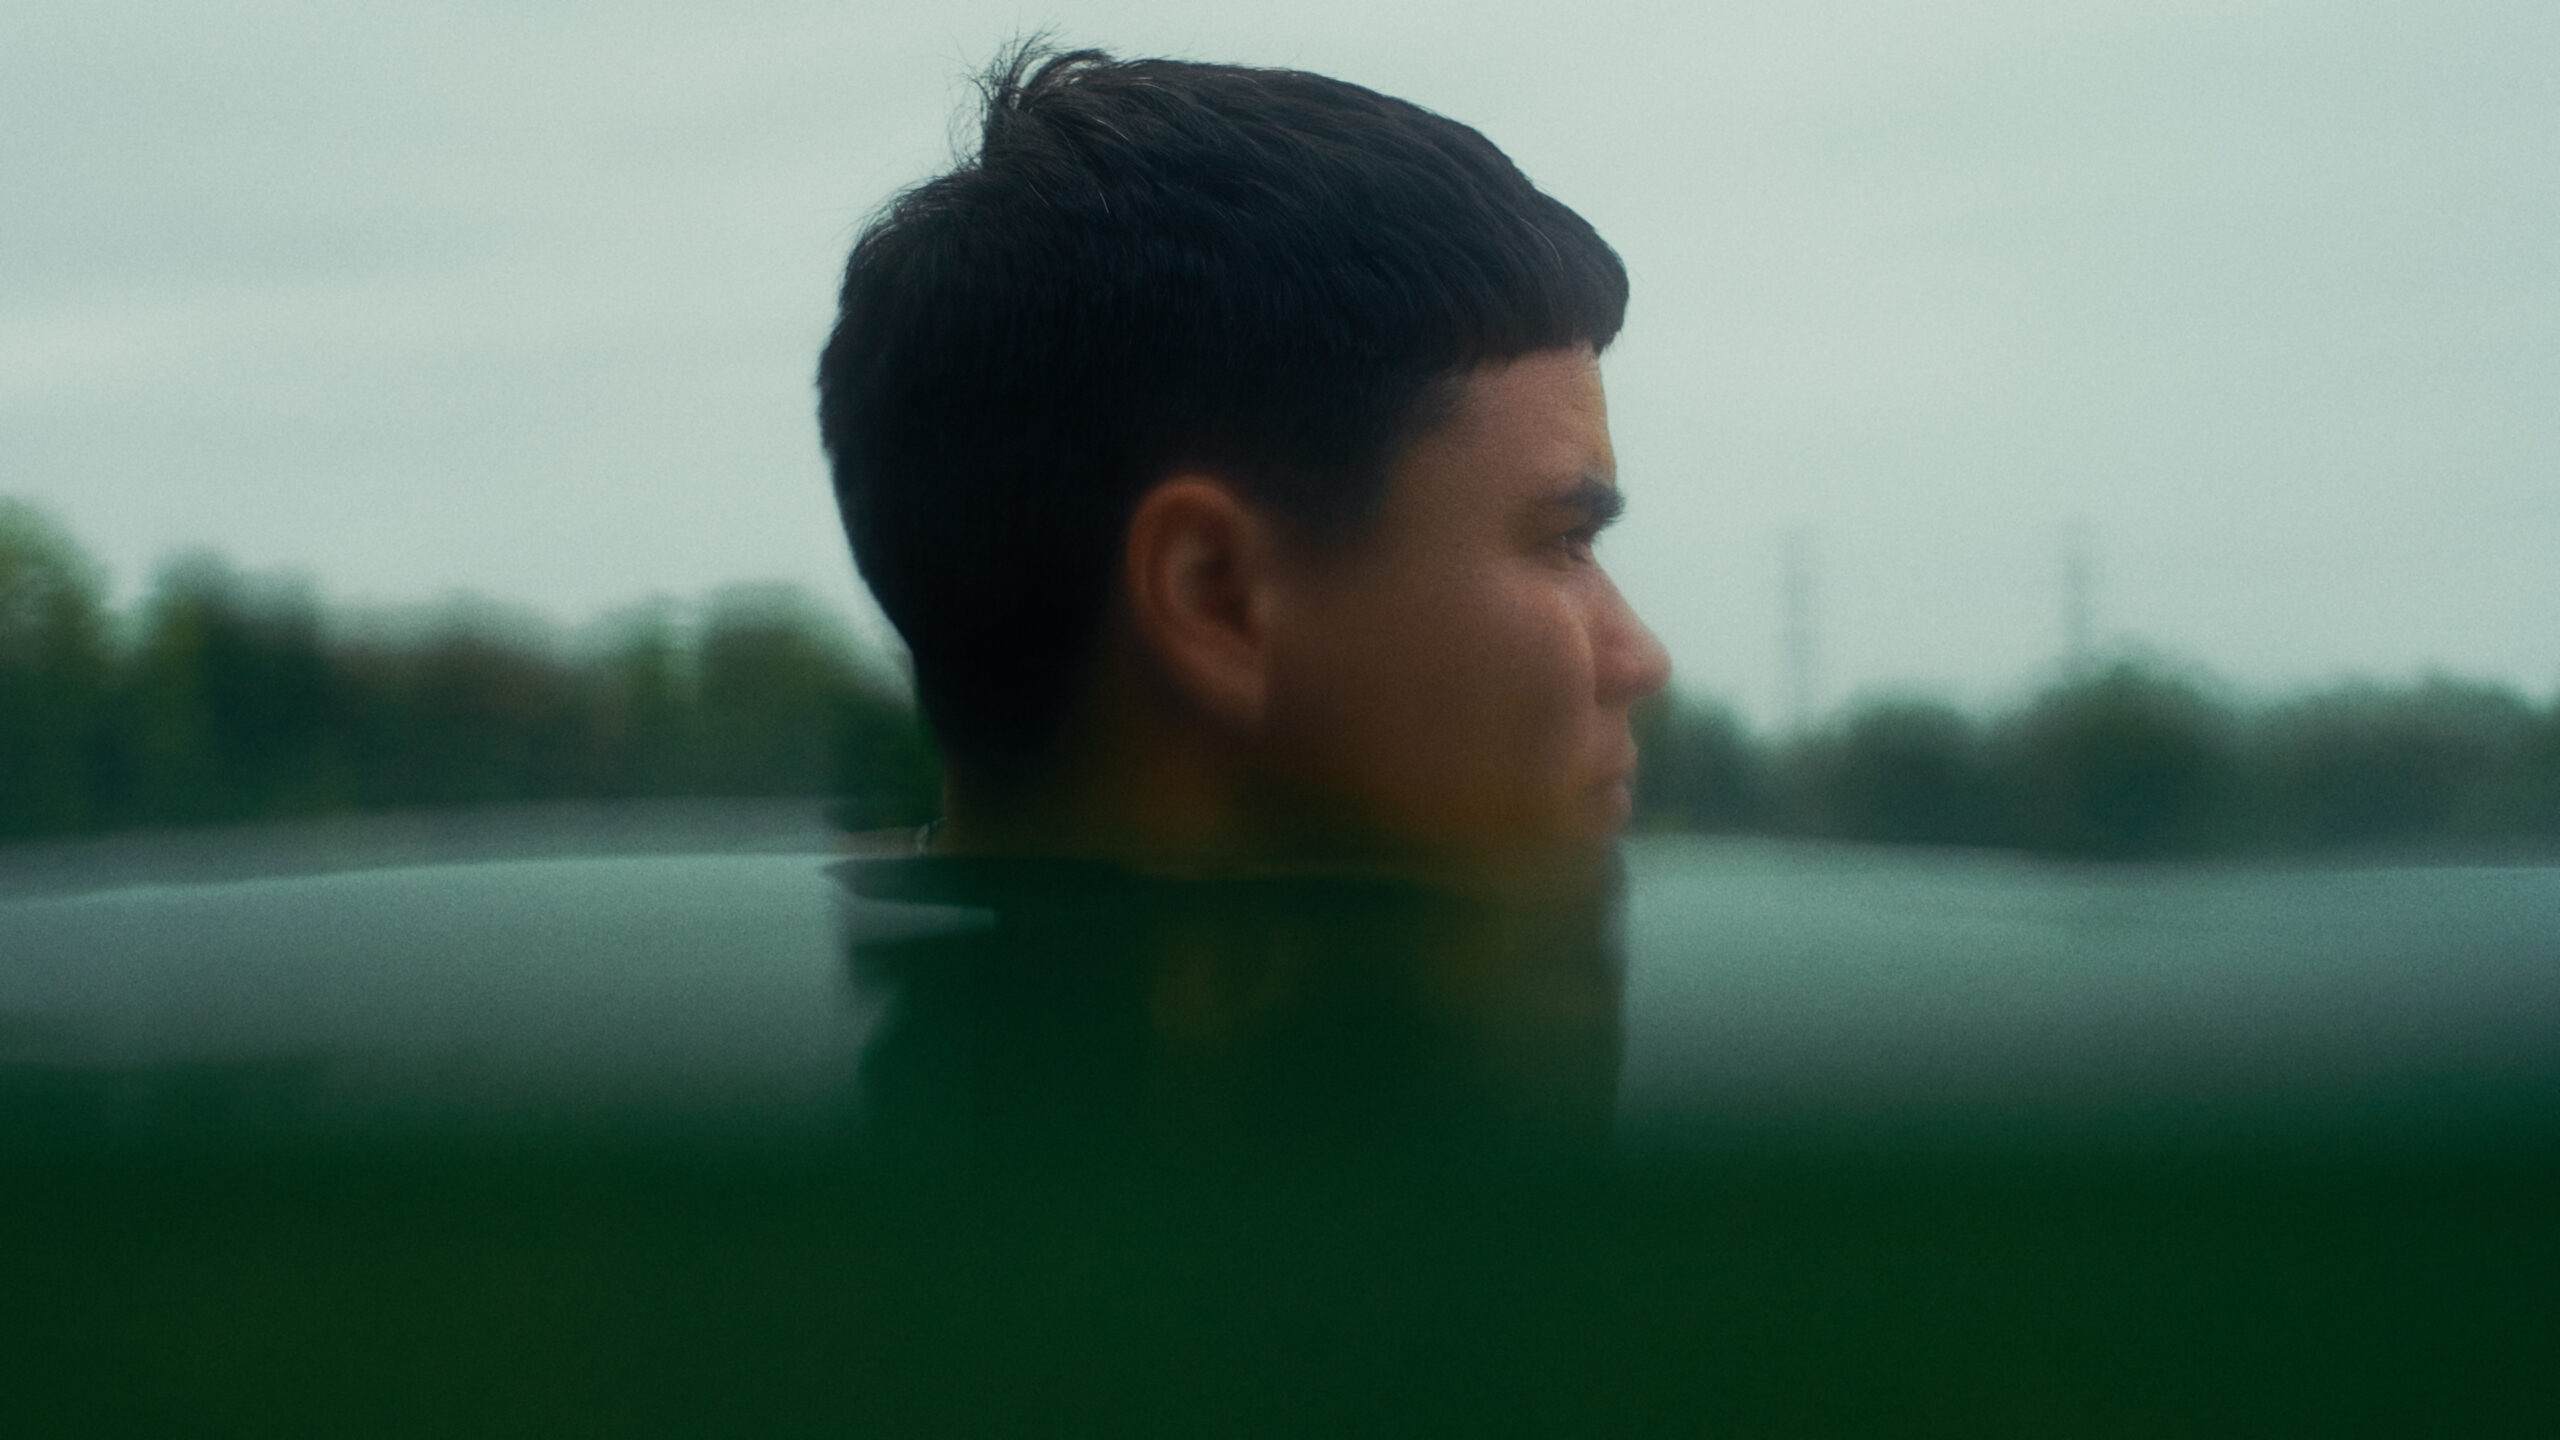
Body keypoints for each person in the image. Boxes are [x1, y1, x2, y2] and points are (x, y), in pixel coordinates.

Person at [816, 45, 1664, 1158]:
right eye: (1562, 541)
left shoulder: (774, 1271)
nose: (1638, 656)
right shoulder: (1451, 1262)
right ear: (1212, 596)